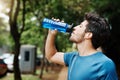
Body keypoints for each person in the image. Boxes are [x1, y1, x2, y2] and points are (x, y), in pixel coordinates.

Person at [45, 12, 118, 80]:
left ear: (88, 35)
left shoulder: (105, 64)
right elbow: (51, 56)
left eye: (80, 26)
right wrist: (51, 34)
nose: (75, 27)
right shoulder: (73, 57)